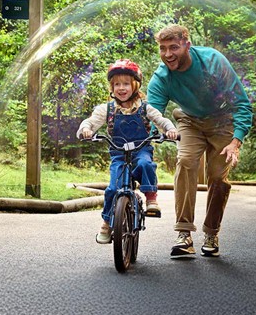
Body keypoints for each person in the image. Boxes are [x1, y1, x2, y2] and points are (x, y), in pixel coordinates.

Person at [146, 25, 252, 258]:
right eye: (163, 49)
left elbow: (242, 104)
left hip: (223, 121)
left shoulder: (213, 62)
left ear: (187, 45)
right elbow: (153, 113)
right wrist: (148, 138)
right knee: (185, 161)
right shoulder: (162, 76)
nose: (168, 54)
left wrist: (236, 141)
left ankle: (211, 232)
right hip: (190, 120)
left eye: (173, 47)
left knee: (217, 176)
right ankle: (184, 233)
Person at [77, 59, 179, 244]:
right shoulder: (106, 109)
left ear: (135, 86)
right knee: (112, 189)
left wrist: (170, 130)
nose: (121, 88)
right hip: (118, 153)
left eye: (126, 84)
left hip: (141, 150)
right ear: (112, 87)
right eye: (117, 84)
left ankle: (151, 198)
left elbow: (161, 120)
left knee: (146, 164)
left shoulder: (144, 108)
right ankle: (106, 223)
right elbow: (90, 122)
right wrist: (86, 130)